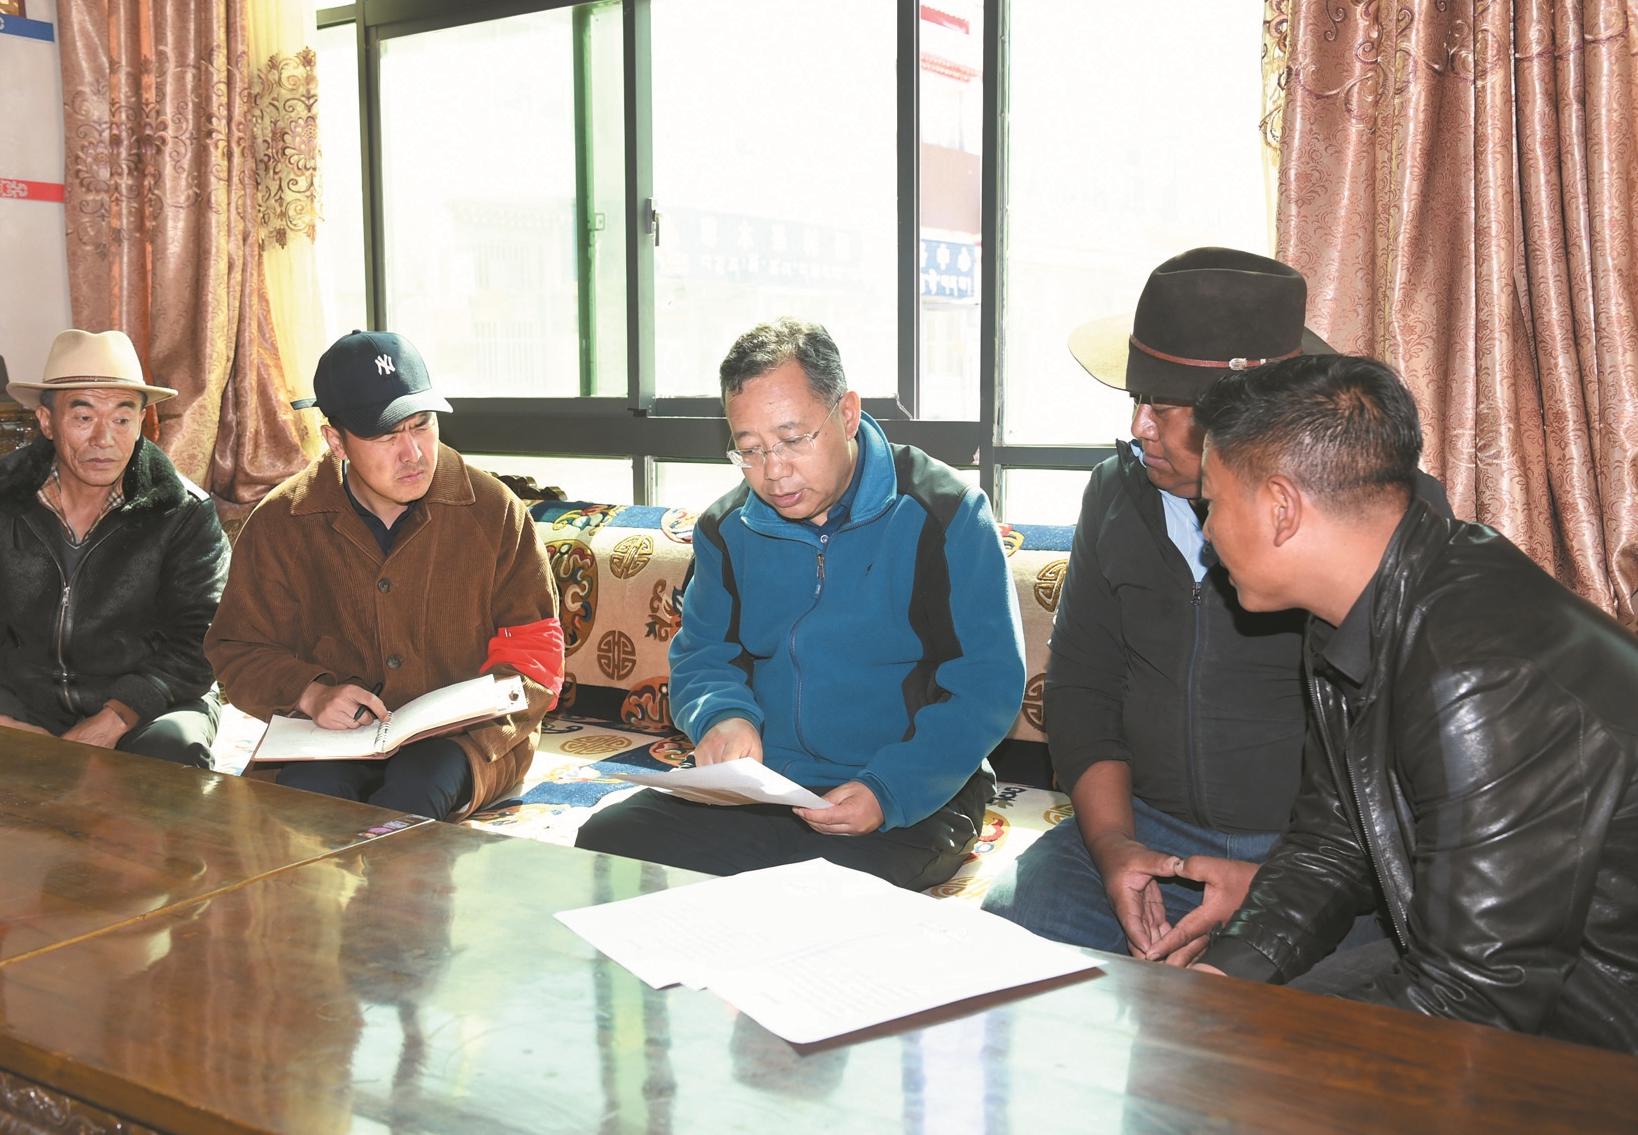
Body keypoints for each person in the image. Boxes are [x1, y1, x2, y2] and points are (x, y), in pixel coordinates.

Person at [982, 249, 1446, 963]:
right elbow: (1083, 687)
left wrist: (1283, 885)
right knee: (1004, 946)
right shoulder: (1114, 494)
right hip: (1146, 832)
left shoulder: (1366, 514)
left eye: (1164, 407)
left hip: (1322, 860)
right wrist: (1115, 848)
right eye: (1135, 398)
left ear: (1247, 419)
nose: (1139, 427)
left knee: (1295, 1010)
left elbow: (1409, 757)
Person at [1191, 354, 1638, 1054]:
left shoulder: (1477, 671)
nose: (1206, 532)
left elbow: (1477, 998)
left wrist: (1257, 1057)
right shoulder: (1357, 608)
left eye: (1211, 503)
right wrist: (1217, 980)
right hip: (1491, 983)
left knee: (1239, 1068)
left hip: (1596, 1035)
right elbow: (1333, 840)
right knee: (1209, 1035)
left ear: (1281, 508)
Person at [574, 317, 1025, 890]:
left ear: (848, 414)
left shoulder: (945, 513)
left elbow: (987, 683)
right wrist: (723, 716)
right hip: (765, 786)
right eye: (750, 450)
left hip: (910, 791)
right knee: (608, 846)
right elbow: (704, 655)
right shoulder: (726, 528)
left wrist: (889, 790)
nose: (774, 472)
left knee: (828, 899)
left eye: (793, 440)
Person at [205, 330, 561, 821]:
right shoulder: (281, 522)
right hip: (326, 737)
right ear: (336, 441)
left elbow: (535, 654)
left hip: (466, 741)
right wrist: (311, 694)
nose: (413, 453)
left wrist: (476, 719)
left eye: (422, 424)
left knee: (412, 798)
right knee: (307, 806)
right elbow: (238, 648)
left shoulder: (494, 512)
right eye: (387, 436)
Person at [0, 329, 227, 767]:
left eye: (122, 419)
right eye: (84, 417)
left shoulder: (182, 510)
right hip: (27, 701)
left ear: (141, 423)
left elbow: (202, 636)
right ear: (46, 421)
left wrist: (115, 718)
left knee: (171, 757)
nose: (104, 439)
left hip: (151, 702)